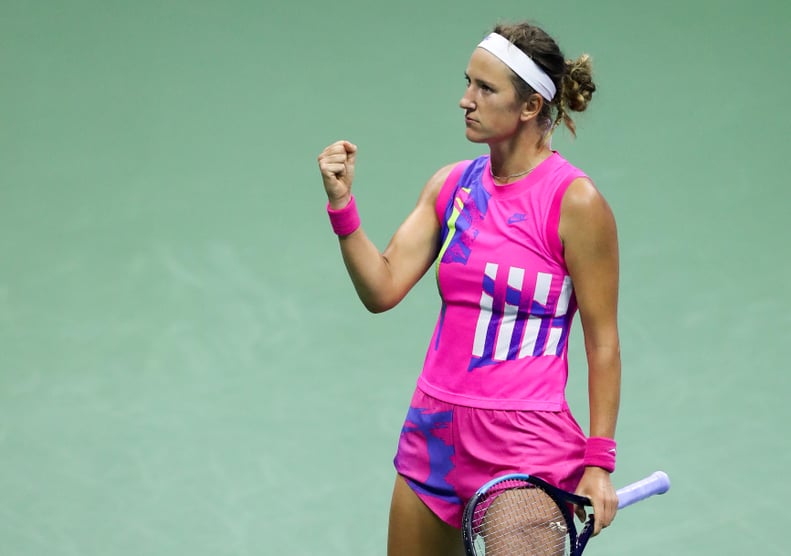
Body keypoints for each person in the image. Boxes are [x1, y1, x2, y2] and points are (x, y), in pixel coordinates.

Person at [317, 20, 621, 556]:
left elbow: (602, 342)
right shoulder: (452, 185)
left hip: (523, 453)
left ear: (529, 108)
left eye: (485, 89)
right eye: (468, 83)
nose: (466, 100)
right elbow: (381, 288)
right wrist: (343, 208)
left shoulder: (574, 202)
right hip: (433, 439)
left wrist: (598, 462)